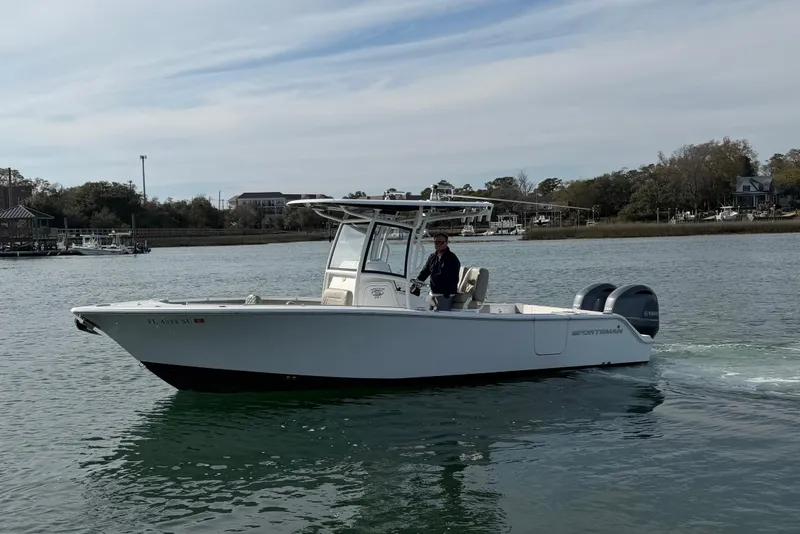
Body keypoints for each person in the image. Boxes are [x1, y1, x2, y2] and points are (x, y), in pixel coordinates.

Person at [414, 233, 461, 311]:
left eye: (441, 242)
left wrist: (446, 295)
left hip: (445, 295)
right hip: (433, 293)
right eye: (436, 242)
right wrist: (415, 285)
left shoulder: (452, 259)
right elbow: (424, 273)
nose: (438, 244)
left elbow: (453, 278)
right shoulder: (432, 257)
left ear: (446, 243)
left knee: (440, 316)